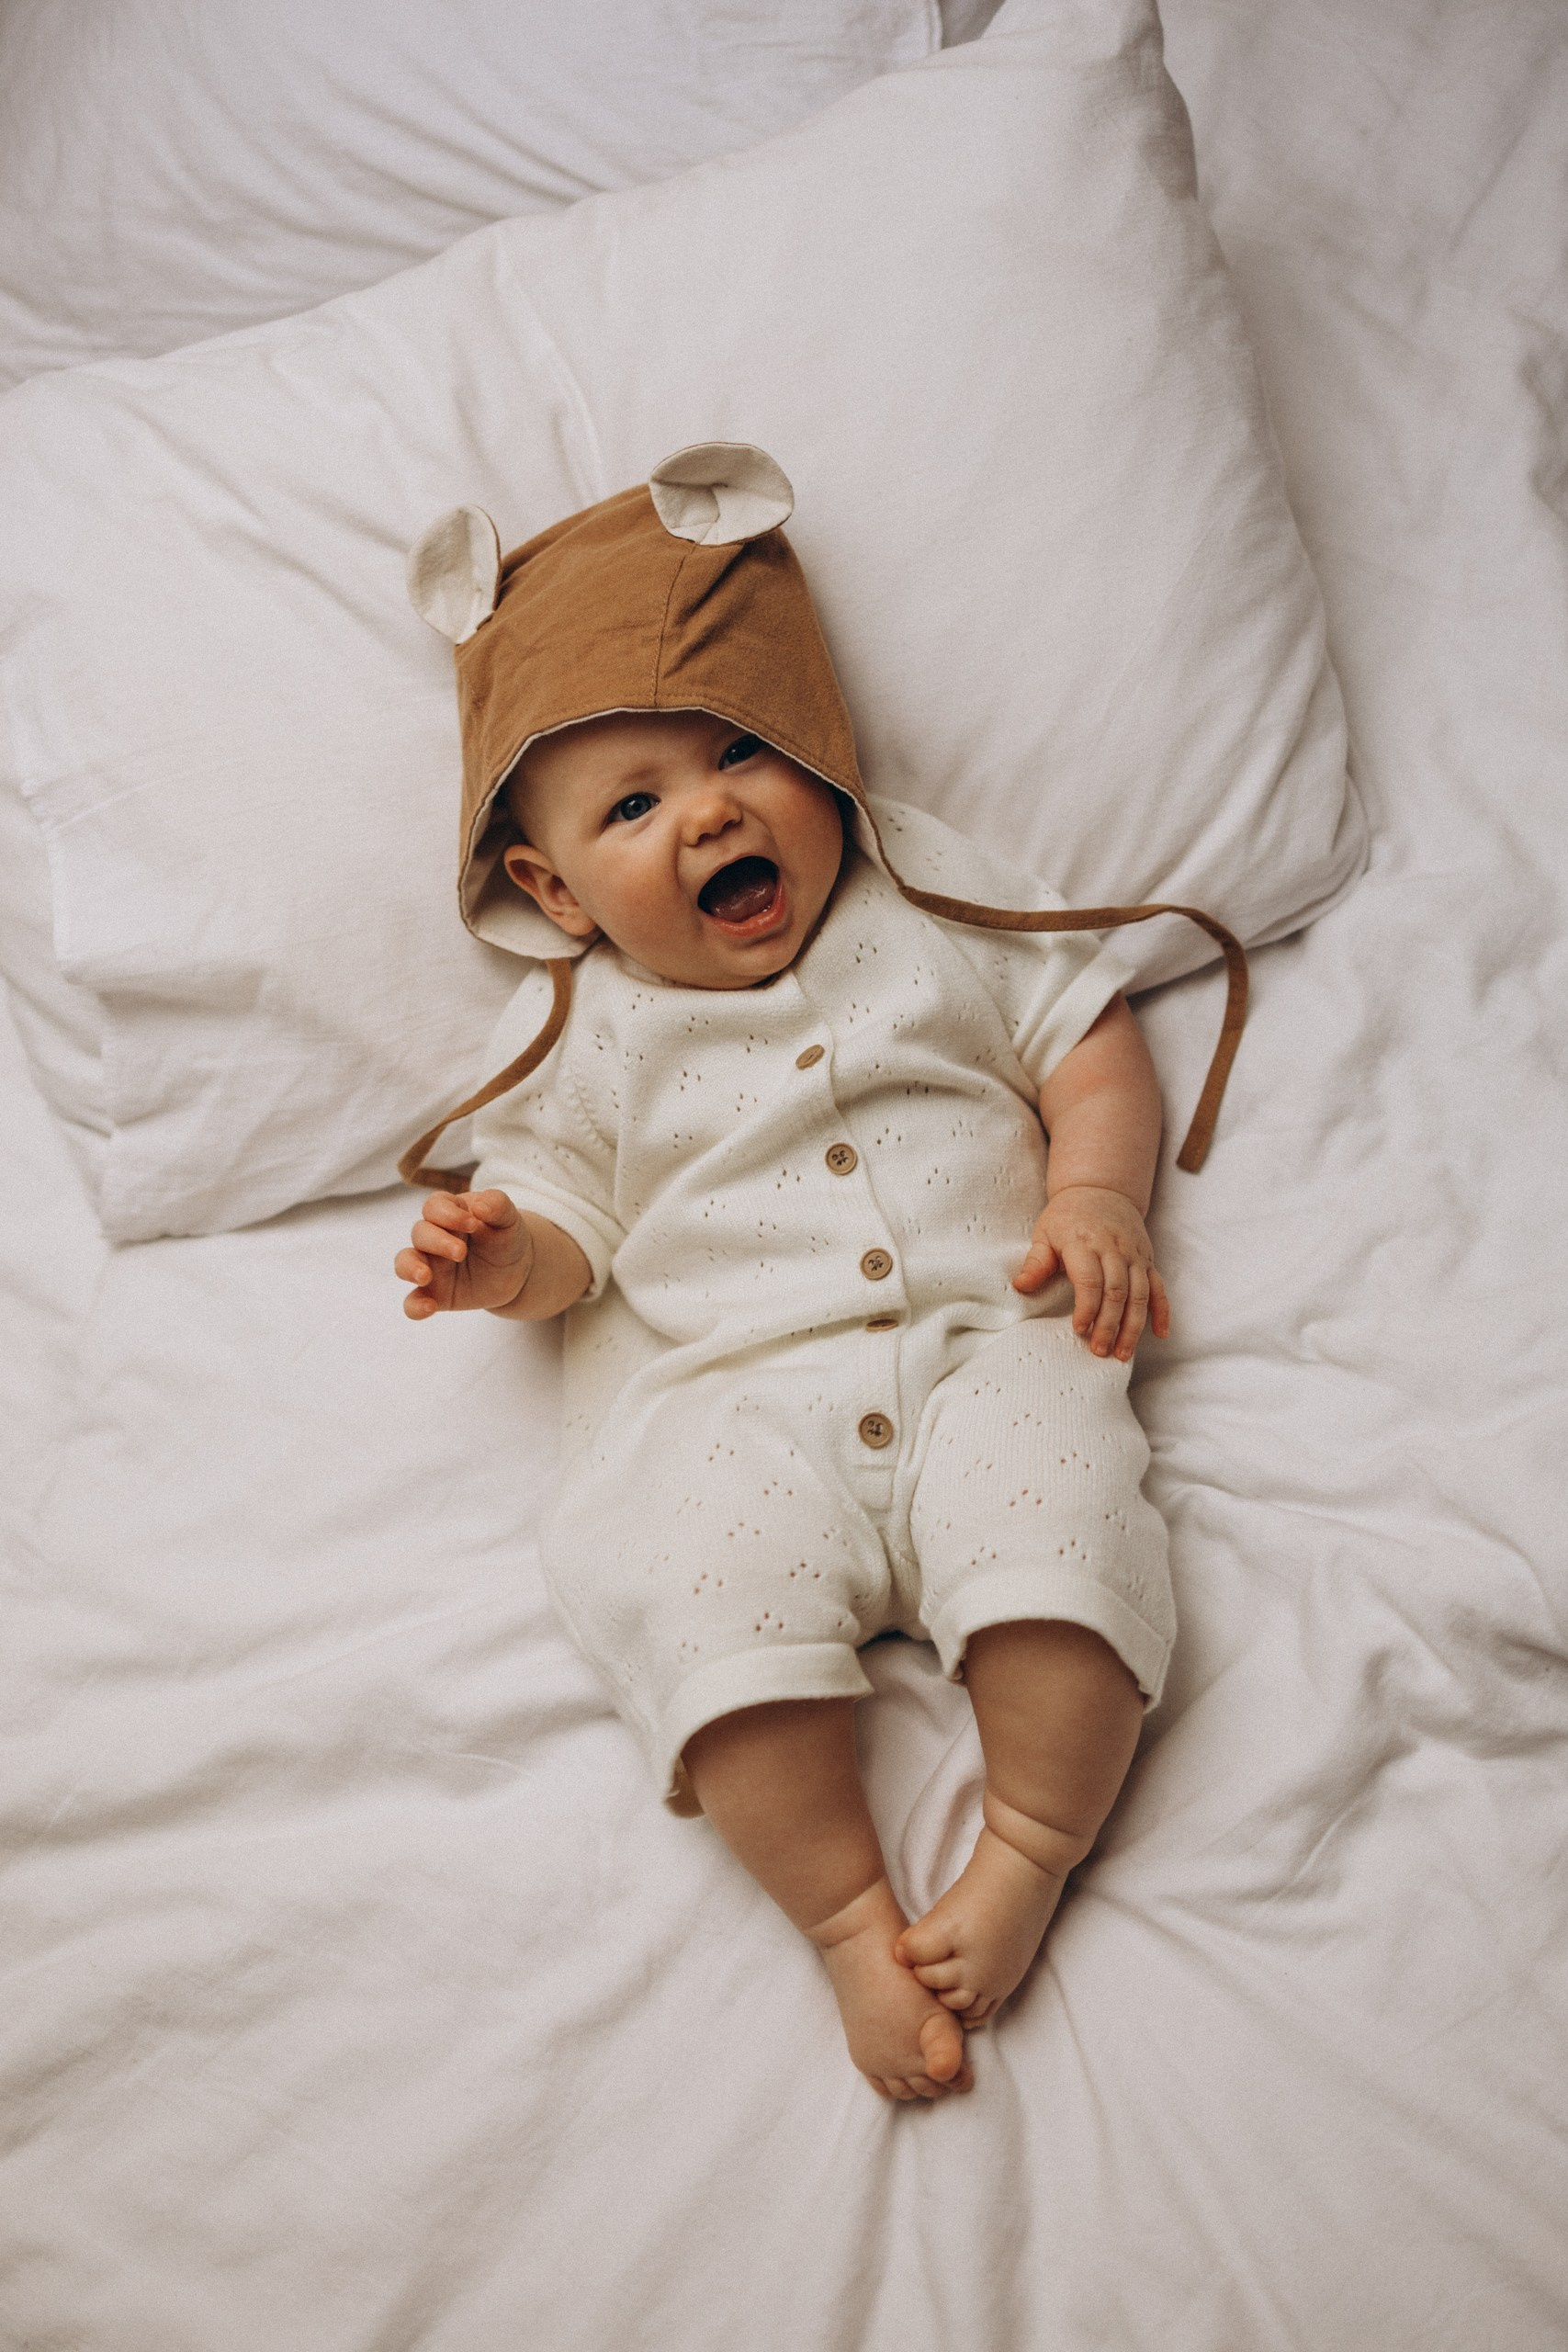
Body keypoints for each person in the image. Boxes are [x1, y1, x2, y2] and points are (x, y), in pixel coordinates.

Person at [393, 444, 1244, 2103]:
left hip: (991, 1338)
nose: (709, 811)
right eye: (632, 807)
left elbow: (1084, 1036)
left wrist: (1097, 1193)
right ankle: (852, 1923)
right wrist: (503, 1261)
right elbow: (565, 1231)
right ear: (553, 890)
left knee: (1068, 1541)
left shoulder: (926, 888)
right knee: (706, 1611)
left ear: (819, 744)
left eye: (739, 751)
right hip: (733, 1399)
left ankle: (1028, 1845)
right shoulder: (583, 1027)